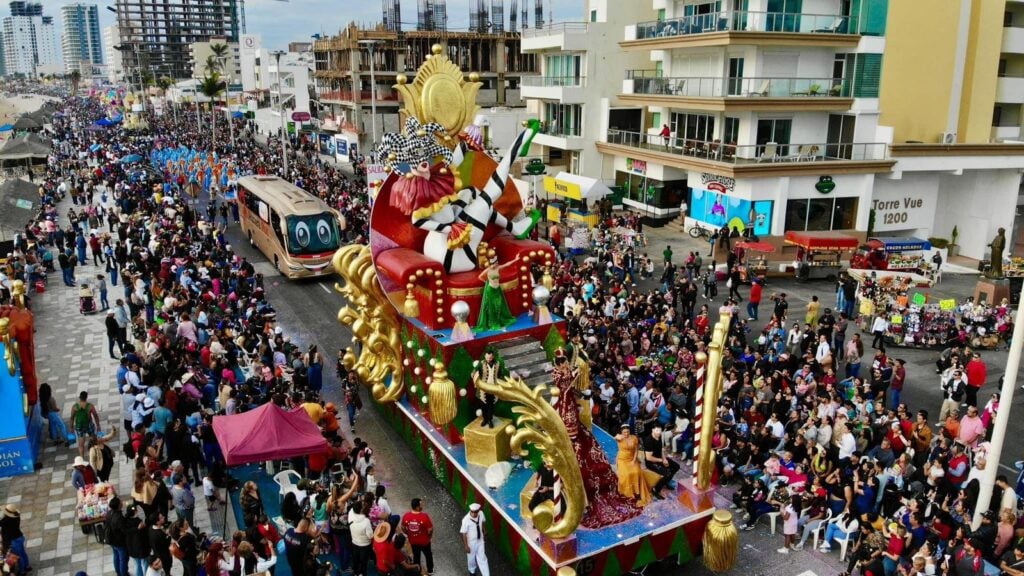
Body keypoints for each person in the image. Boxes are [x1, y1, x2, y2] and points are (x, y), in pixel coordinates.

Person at [615, 423, 652, 505]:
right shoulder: (619, 437)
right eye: (624, 432)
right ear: (622, 432)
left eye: (627, 432)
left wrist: (634, 460)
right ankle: (628, 493)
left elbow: (636, 450)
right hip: (622, 459)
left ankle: (637, 492)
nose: (626, 434)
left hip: (632, 458)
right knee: (627, 474)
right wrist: (619, 436)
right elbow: (616, 437)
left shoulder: (634, 438)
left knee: (637, 472)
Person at [643, 425, 679, 499]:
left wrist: (664, 459)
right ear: (652, 430)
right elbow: (648, 458)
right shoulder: (648, 440)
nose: (659, 432)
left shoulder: (659, 436)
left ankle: (666, 482)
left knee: (676, 466)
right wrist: (662, 461)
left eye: (660, 431)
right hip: (651, 462)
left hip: (660, 459)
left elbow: (661, 450)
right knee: (667, 473)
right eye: (657, 431)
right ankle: (655, 489)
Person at [401, 497, 434, 575]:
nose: (422, 506)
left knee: (416, 556)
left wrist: (408, 534)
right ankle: (430, 570)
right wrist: (429, 537)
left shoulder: (406, 516)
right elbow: (430, 529)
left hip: (413, 541)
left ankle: (417, 571)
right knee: (428, 555)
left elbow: (403, 527)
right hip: (425, 542)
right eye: (421, 505)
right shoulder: (424, 516)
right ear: (417, 507)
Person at [461, 503, 490, 576]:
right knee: (471, 559)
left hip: (480, 540)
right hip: (471, 542)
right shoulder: (466, 520)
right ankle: (472, 571)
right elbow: (464, 534)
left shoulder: (481, 514)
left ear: (478, 510)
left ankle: (486, 574)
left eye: (475, 512)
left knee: (482, 558)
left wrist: (484, 530)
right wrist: (466, 546)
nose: (474, 513)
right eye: (472, 511)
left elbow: (483, 521)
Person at [70, 390, 101, 458]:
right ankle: (95, 454)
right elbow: (95, 416)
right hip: (89, 425)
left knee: (81, 445)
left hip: (79, 426)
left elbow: (72, 418)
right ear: (86, 397)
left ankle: (82, 458)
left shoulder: (75, 407)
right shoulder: (90, 406)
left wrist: (71, 427)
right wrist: (98, 426)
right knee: (94, 441)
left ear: (79, 397)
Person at [0, 505, 28, 574]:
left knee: (17, 556)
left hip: (14, 540)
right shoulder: (16, 517)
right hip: (20, 537)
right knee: (22, 553)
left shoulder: (6, 521)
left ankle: (22, 571)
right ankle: (27, 566)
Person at [106, 497, 130, 576]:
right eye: (121, 502)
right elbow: (125, 530)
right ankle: (124, 574)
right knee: (123, 559)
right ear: (119, 506)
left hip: (111, 539)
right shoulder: (118, 517)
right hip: (119, 541)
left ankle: (118, 572)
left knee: (116, 556)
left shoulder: (109, 513)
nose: (122, 502)